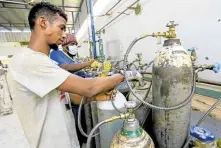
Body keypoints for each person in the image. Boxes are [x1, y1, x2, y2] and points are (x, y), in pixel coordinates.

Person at [7, 2, 124, 148]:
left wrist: (95, 97)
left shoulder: (46, 62)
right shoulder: (27, 61)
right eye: (61, 28)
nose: (63, 36)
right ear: (43, 22)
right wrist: (121, 76)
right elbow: (89, 87)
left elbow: (66, 98)